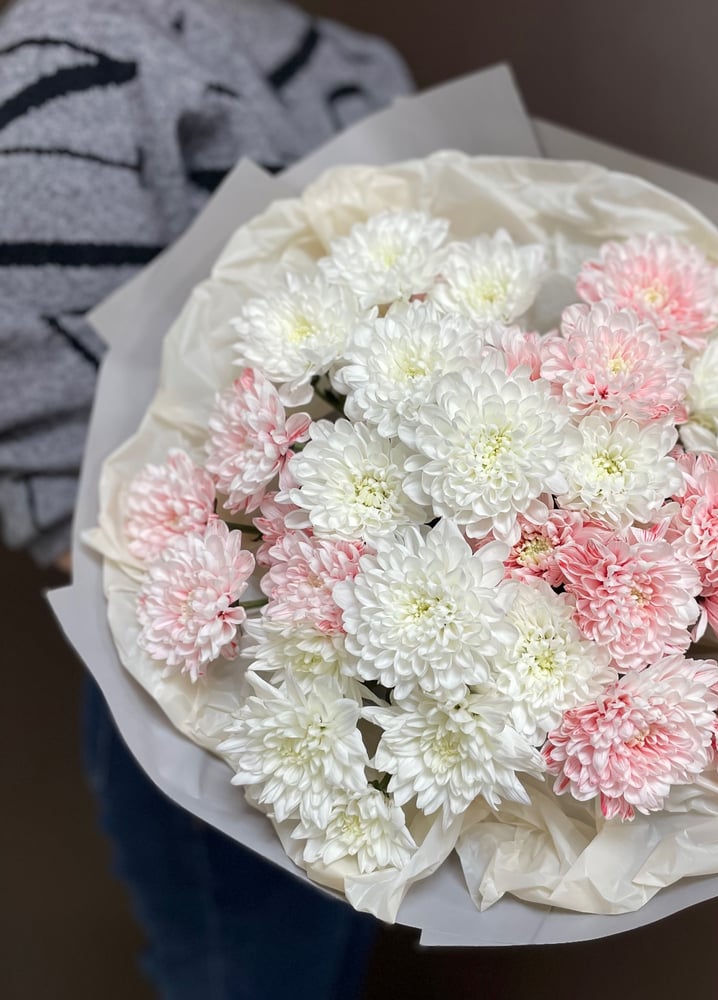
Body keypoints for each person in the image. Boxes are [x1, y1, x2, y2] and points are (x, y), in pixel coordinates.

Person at [0, 1, 412, 996]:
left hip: (379, 663)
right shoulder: (77, 51)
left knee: (324, 966)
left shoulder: (330, 48)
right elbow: (36, 403)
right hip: (213, 683)